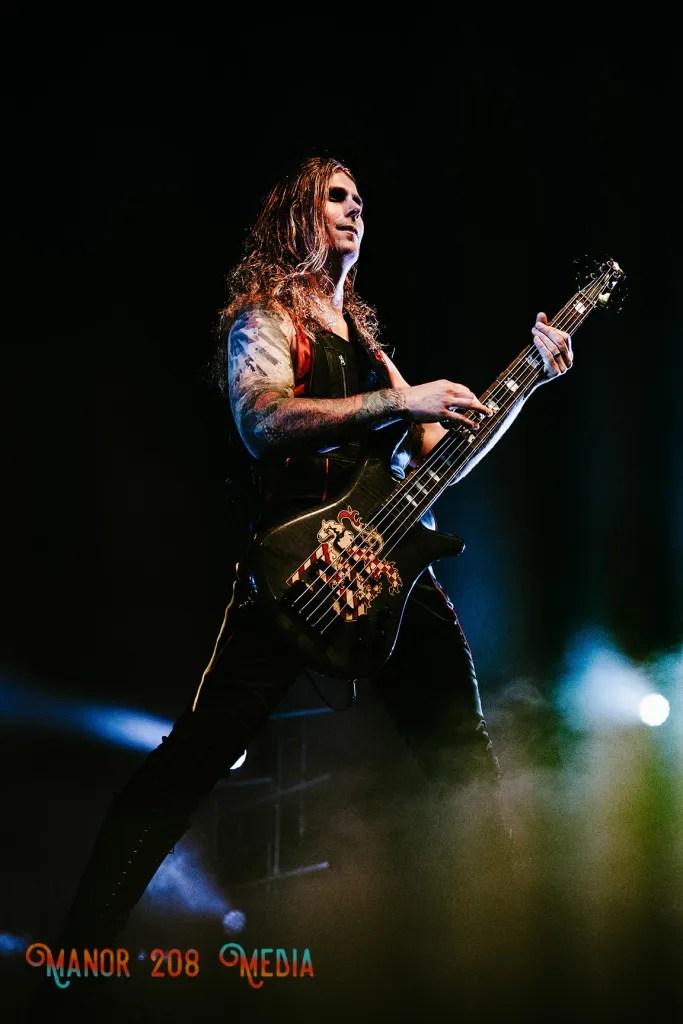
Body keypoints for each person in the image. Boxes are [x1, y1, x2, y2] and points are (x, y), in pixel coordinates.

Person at [57, 155, 573, 950]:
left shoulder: (367, 346)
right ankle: (81, 952)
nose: (355, 208)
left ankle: (508, 948)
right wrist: (399, 398)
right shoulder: (265, 319)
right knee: (196, 755)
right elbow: (261, 421)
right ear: (298, 215)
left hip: (391, 572)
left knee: (461, 753)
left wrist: (529, 379)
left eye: (360, 198)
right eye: (336, 196)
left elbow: (441, 460)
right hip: (294, 563)